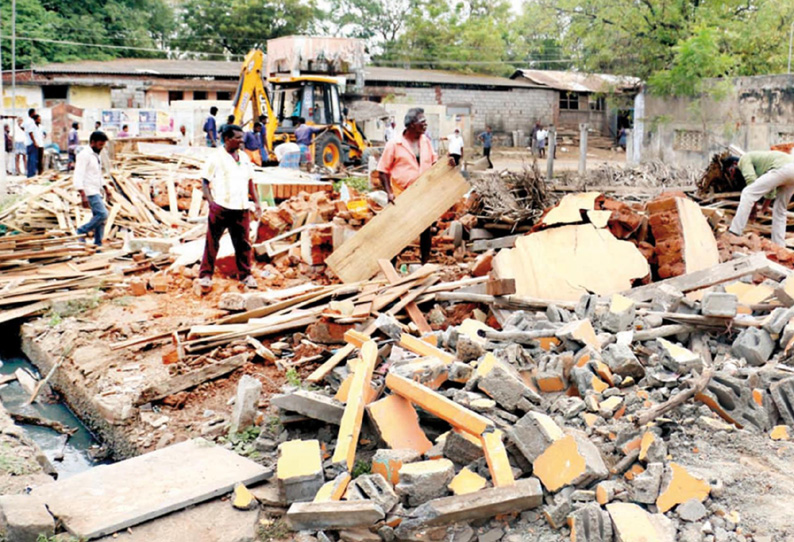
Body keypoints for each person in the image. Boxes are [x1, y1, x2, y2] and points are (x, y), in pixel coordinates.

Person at [377, 107, 456, 264]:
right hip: (401, 193)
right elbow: (382, 170)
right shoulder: (394, 144)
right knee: (396, 230)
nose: (425, 124)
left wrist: (447, 163)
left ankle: (424, 262)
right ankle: (391, 266)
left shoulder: (425, 141)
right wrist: (389, 192)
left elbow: (433, 162)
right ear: (411, 124)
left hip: (422, 192)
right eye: (422, 121)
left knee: (425, 228)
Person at [198, 124, 262, 292]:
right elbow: (205, 181)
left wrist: (257, 203)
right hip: (221, 207)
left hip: (241, 208)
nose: (242, 141)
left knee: (243, 244)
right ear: (227, 139)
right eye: (238, 138)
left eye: (242, 137)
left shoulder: (244, 157)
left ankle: (246, 275)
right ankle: (205, 275)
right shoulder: (216, 157)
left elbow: (250, 181)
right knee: (212, 242)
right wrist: (211, 202)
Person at [725, 152, 794, 247]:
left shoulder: (744, 159)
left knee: (748, 193)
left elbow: (751, 180)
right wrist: (763, 209)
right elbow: (771, 190)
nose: (732, 176)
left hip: (784, 168)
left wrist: (753, 209)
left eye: (730, 171)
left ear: (735, 164)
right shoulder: (761, 164)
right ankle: (779, 245)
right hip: (790, 169)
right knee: (780, 210)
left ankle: (734, 231)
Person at [73, 131, 111, 247]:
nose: (101, 148)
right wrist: (82, 194)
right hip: (89, 190)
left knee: (100, 220)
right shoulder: (84, 155)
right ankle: (80, 231)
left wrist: (105, 187)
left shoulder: (95, 155)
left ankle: (98, 244)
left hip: (96, 189)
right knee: (103, 214)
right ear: (92, 142)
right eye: (100, 145)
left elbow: (97, 174)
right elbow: (78, 175)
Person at [23, 108, 40, 177]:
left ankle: (29, 174)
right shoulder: (31, 122)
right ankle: (32, 174)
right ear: (32, 113)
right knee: (33, 159)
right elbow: (31, 132)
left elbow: (22, 127)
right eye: (35, 113)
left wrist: (26, 133)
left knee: (29, 159)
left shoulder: (26, 121)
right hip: (31, 143)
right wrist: (35, 142)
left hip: (27, 142)